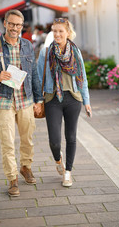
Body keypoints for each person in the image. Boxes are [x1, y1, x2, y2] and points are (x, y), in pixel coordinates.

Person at [0, 9, 43, 196]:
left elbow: (34, 75)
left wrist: (38, 100)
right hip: (3, 101)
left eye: (18, 25)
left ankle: (26, 167)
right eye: (11, 24)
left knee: (28, 139)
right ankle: (12, 178)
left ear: (22, 26)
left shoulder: (28, 46)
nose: (15, 28)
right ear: (5, 23)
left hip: (26, 100)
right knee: (7, 142)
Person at [37, 18, 92, 187]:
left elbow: (82, 77)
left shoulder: (75, 52)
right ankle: (57, 159)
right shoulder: (45, 52)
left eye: (61, 31)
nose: (57, 34)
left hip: (73, 99)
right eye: (55, 31)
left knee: (71, 137)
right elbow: (39, 77)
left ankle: (68, 172)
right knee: (54, 140)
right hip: (52, 99)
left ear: (68, 33)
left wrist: (86, 101)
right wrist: (39, 100)